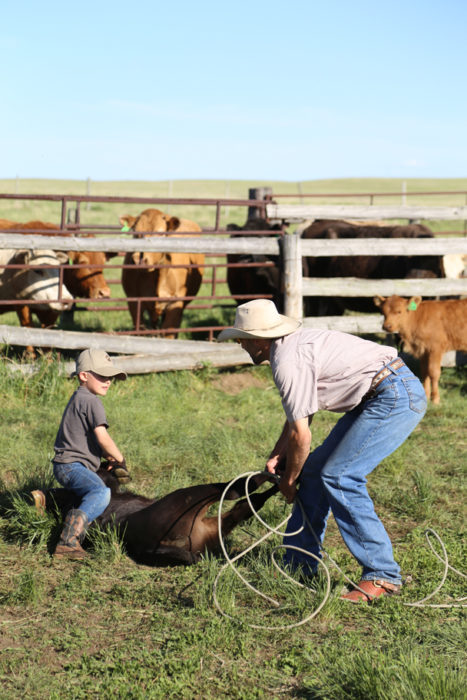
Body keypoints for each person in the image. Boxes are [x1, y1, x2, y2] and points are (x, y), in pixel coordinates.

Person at [218, 299, 427, 602]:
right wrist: (280, 454)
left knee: (341, 475)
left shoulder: (288, 362)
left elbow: (302, 435)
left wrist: (289, 481)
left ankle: (382, 576)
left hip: (392, 395)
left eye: (242, 338)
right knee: (315, 471)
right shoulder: (290, 347)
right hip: (380, 393)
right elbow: (301, 414)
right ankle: (299, 562)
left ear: (259, 341)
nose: (240, 344)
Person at [50, 348, 128, 559]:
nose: (108, 381)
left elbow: (86, 440)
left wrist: (106, 458)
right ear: (84, 375)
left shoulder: (79, 398)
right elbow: (102, 437)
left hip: (65, 465)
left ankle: (47, 498)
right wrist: (121, 459)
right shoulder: (92, 401)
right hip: (72, 466)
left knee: (85, 492)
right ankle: (68, 542)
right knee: (100, 493)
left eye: (110, 377)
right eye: (102, 375)